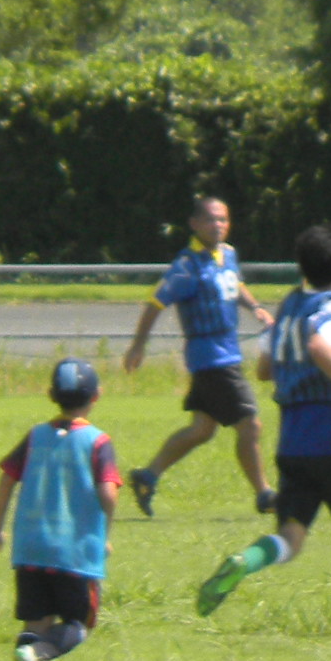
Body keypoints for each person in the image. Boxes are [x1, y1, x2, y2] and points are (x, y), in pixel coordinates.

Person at [195, 223, 331, 661]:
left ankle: (244, 561)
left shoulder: (289, 307)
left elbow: (262, 368)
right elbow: (319, 345)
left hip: (294, 443)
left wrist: (296, 369)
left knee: (290, 539)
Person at [122, 196, 277, 517]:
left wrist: (256, 307)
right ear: (194, 224)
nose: (218, 225)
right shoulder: (187, 265)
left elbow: (236, 284)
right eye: (211, 220)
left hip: (226, 353)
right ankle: (264, 494)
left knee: (202, 429)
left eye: (223, 219)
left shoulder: (228, 255)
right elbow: (155, 303)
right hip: (211, 358)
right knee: (251, 426)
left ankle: (147, 476)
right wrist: (139, 345)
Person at [0, 358, 120, 661]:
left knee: (34, 625)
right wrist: (105, 534)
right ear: (97, 395)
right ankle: (39, 655)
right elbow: (108, 492)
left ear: (50, 395)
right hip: (73, 552)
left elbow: (6, 479)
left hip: (30, 549)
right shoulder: (97, 441)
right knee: (79, 625)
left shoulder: (36, 436)